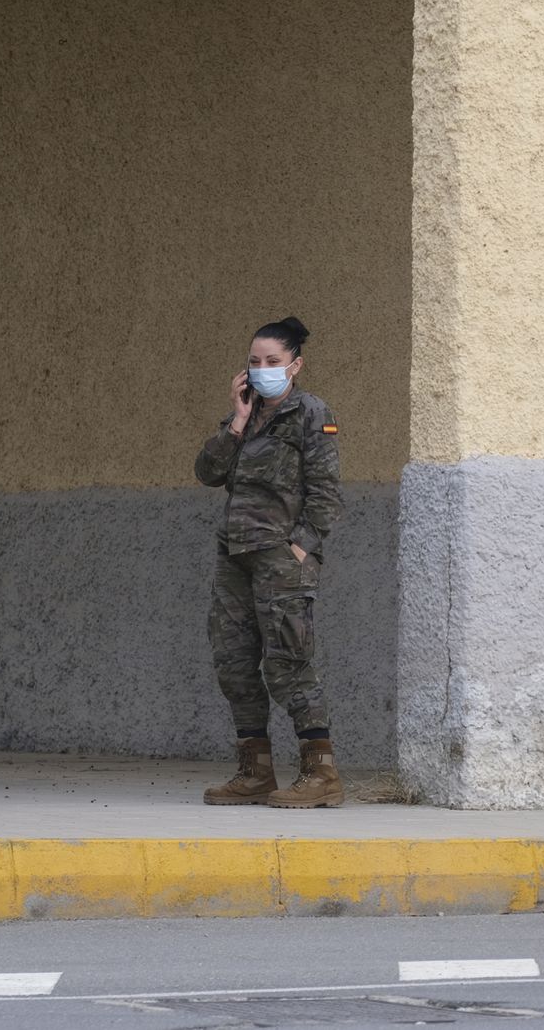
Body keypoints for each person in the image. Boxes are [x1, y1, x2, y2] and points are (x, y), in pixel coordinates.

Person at [193, 316, 345, 808]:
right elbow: (208, 472)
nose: (263, 370)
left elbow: (326, 493)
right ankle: (255, 771)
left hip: (281, 558)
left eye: (273, 361)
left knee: (288, 663)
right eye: (255, 362)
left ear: (294, 365)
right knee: (234, 664)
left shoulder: (311, 413)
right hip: (234, 557)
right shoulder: (246, 414)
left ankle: (320, 773)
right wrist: (237, 421)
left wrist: (300, 547)